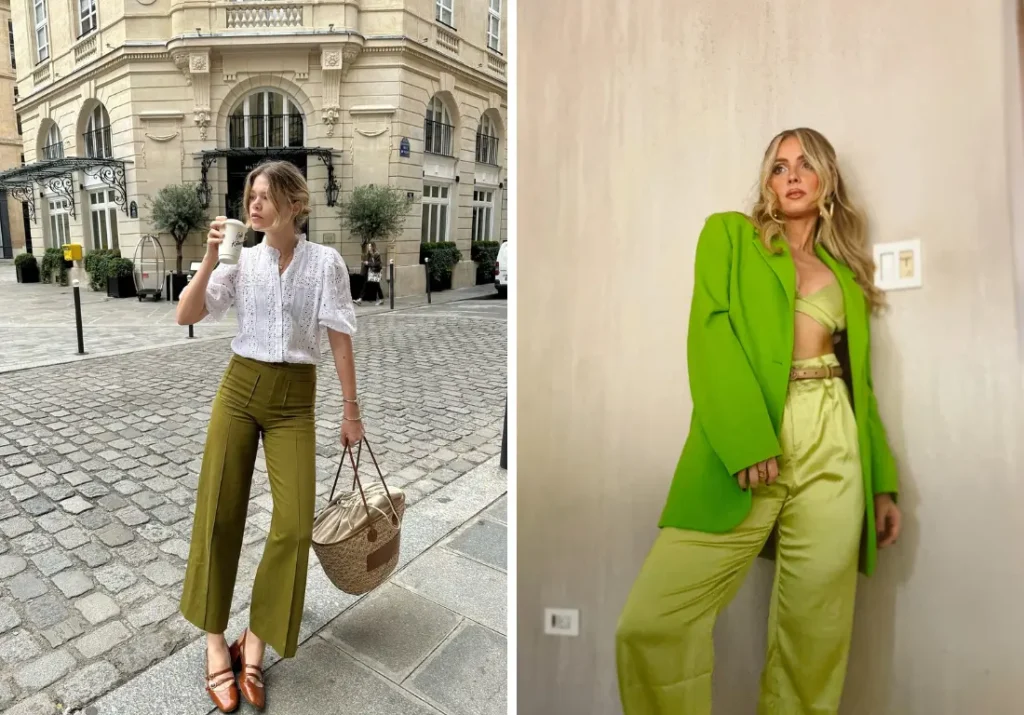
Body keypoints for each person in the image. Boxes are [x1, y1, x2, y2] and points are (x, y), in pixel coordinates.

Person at [615, 127, 902, 714]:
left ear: (826, 179)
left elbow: (861, 387)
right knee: (652, 622)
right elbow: (710, 333)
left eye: (804, 164)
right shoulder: (729, 235)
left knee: (814, 634)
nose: (791, 175)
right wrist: (746, 439)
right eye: (778, 166)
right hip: (752, 434)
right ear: (767, 183)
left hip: (833, 443)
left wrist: (881, 481)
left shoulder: (844, 276)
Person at [175, 160, 363, 713]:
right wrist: (210, 257)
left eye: (265, 196)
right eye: (249, 196)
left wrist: (351, 412)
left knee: (294, 523)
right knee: (219, 511)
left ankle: (254, 641)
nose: (253, 205)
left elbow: (340, 341)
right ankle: (215, 642)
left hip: (294, 400)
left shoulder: (325, 263)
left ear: (295, 203)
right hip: (239, 388)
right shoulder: (242, 260)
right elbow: (186, 313)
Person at [355, 242, 384, 306]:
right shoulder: (369, 254)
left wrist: (368, 263)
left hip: (375, 272)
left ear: (373, 247)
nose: (369, 248)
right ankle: (360, 299)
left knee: (377, 285)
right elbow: (367, 263)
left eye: (370, 246)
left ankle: (381, 299)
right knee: (366, 285)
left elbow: (378, 264)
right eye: (368, 247)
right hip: (369, 272)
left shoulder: (377, 254)